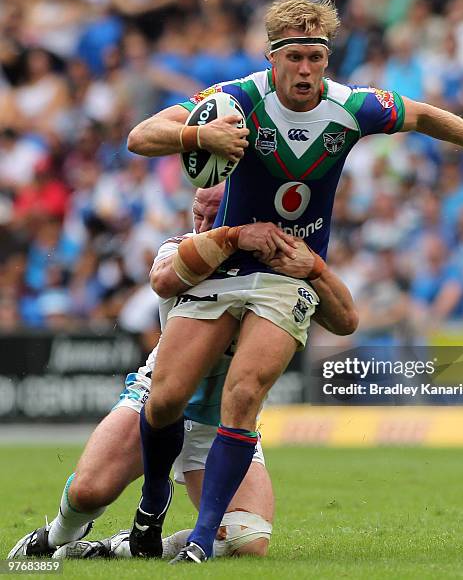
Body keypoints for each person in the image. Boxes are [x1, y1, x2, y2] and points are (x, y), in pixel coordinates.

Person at [125, 0, 463, 564]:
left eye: (317, 58)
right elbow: (140, 135)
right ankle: (152, 507)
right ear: (273, 58)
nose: (307, 70)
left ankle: (201, 539)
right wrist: (198, 139)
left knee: (245, 393)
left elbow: (423, 115)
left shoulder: (351, 106)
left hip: (290, 273)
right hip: (225, 265)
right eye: (296, 57)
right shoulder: (236, 100)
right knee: (166, 401)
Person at [8, 184, 358, 560]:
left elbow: (346, 320)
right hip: (158, 400)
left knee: (248, 540)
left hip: (221, 422)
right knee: (88, 493)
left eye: (215, 214)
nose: (204, 223)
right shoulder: (181, 247)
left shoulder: (281, 264)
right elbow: (163, 278)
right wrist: (231, 238)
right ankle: (54, 535)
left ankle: (123, 547)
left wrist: (315, 269)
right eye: (199, 213)